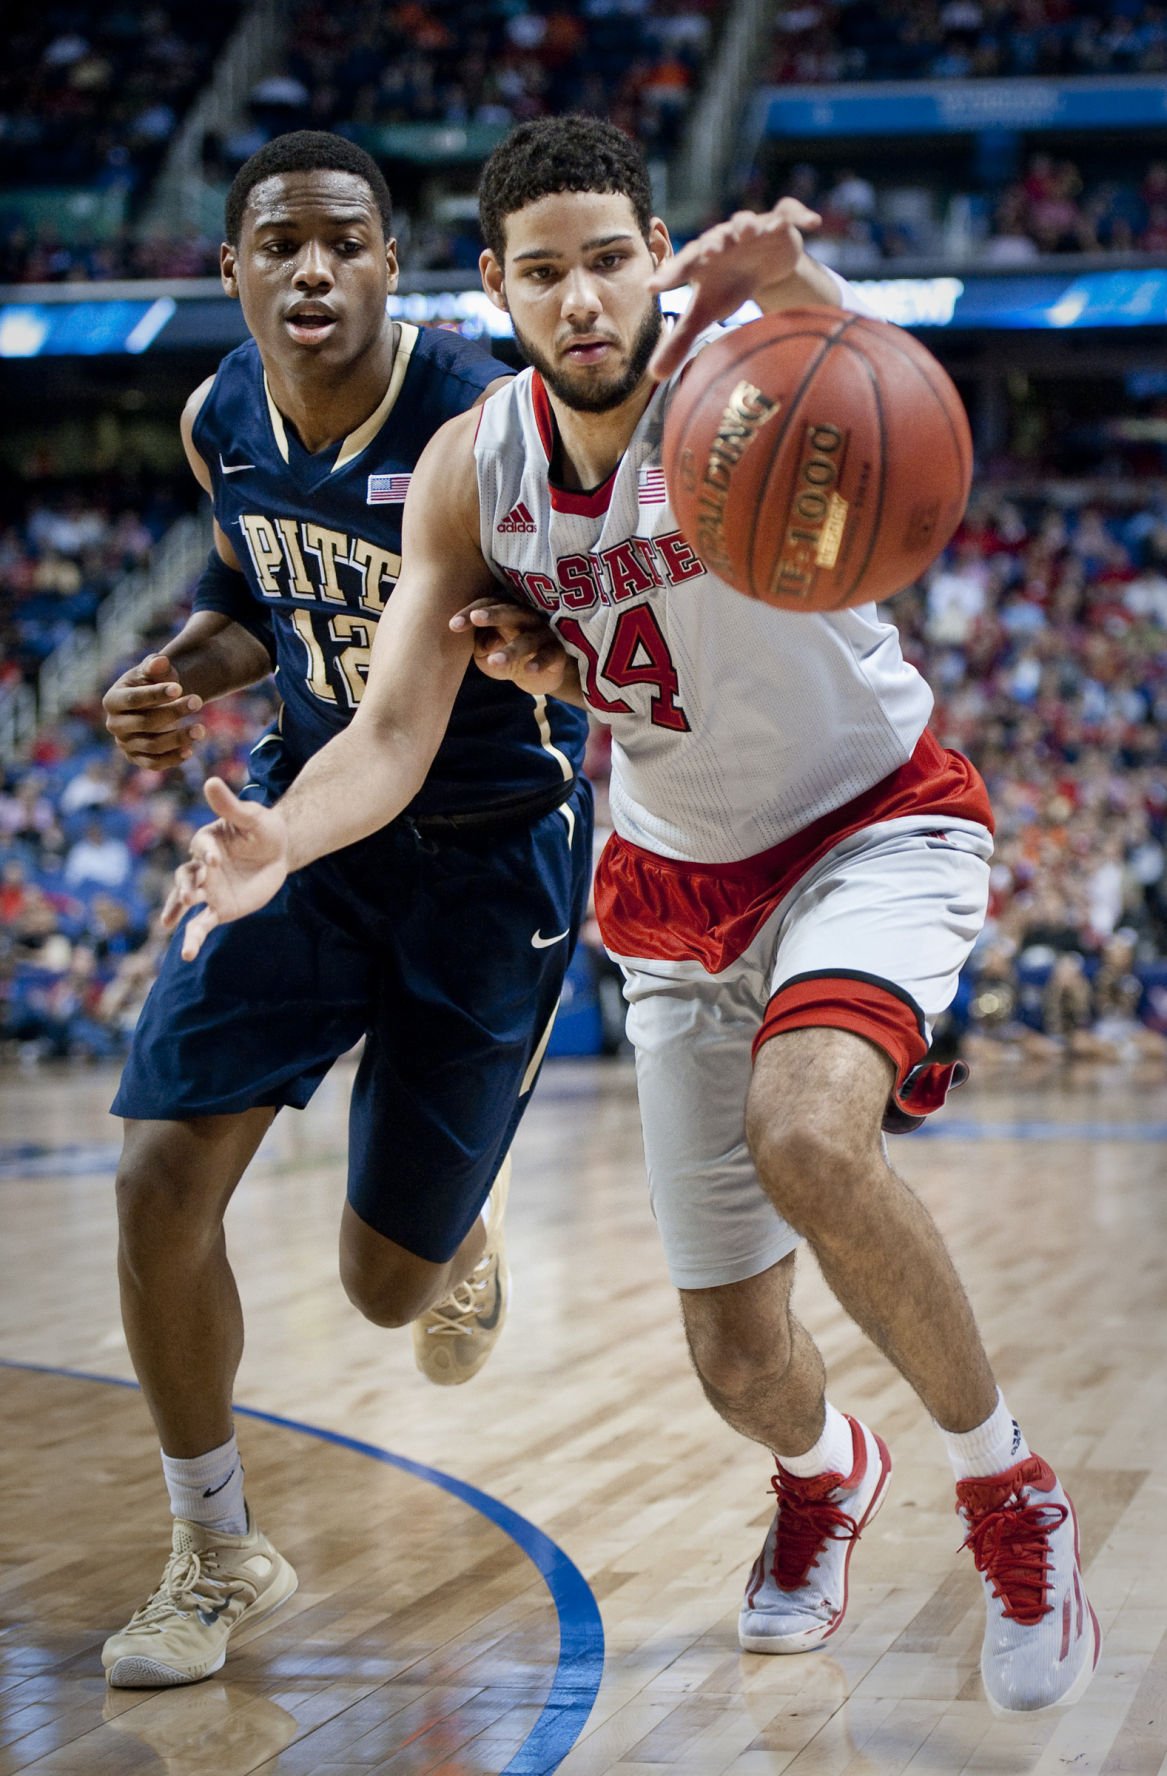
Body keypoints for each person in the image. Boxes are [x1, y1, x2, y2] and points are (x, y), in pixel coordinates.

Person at [168, 117, 1100, 1716]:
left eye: (612, 258)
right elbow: (391, 731)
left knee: (812, 1135)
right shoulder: (475, 467)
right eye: (545, 273)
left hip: (869, 826)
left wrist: (798, 279)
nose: (584, 297)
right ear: (495, 290)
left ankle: (1012, 1500)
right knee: (739, 1364)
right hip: (673, 881)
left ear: (654, 258)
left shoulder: (746, 372)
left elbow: (882, 392)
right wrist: (282, 841)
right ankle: (827, 1478)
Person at [98, 130, 592, 1690]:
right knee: (159, 1174)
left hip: (489, 848)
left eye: (346, 240)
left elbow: (531, 663)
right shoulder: (214, 417)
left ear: (396, 265)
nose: (313, 268)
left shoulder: (482, 425)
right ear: (232, 268)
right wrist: (179, 676)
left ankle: (462, 1220)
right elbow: (258, 605)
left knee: (392, 1293)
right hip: (302, 820)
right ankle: (213, 1544)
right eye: (280, 244)